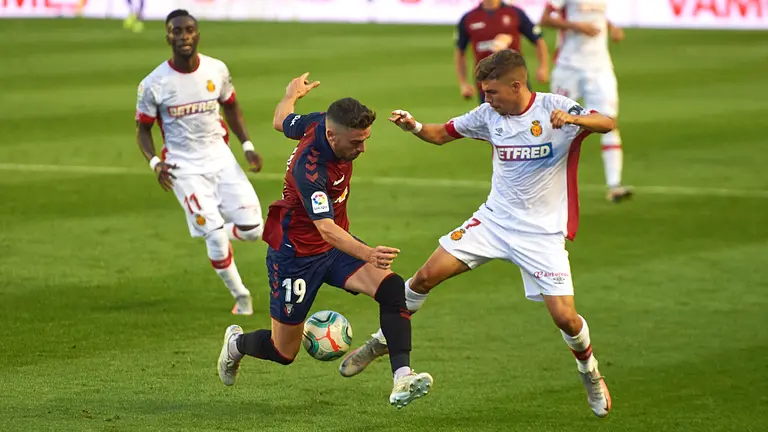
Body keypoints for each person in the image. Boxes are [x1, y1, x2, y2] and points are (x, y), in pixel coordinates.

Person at [339, 50, 614, 418]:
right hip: (494, 221)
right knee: (423, 277)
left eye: (493, 92)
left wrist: (575, 118)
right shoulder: (488, 116)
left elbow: (607, 122)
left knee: (565, 317)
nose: (486, 99)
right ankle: (382, 341)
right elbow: (442, 134)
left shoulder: (555, 108)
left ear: (517, 86)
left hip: (542, 234)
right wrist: (414, 126)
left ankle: (590, 372)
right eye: (484, 92)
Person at [215, 73, 434, 409]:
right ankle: (237, 344)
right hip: (296, 254)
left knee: (392, 289)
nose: (362, 148)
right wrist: (368, 253)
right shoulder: (311, 169)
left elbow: (280, 120)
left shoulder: (319, 122)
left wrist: (291, 94)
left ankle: (402, 377)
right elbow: (326, 228)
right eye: (356, 143)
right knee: (283, 351)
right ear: (332, 136)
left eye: (365, 140)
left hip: (333, 248)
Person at [135, 10, 264, 316]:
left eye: (189, 30)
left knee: (254, 230)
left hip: (221, 159)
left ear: (197, 34)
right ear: (168, 36)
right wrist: (155, 162)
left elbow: (231, 107)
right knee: (216, 238)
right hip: (183, 168)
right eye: (176, 31)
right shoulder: (153, 84)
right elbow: (142, 129)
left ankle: (215, 230)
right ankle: (242, 296)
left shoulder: (216, 69)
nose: (183, 36)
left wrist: (247, 145)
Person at [539, 0, 631, 202]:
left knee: (609, 122)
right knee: (556, 125)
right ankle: (544, 184)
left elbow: (596, 16)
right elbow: (545, 19)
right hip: (568, 67)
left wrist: (611, 26)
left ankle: (614, 185)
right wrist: (576, 26)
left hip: (600, 69)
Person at [455, 0, 550, 104]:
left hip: (515, 80)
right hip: (487, 81)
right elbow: (460, 51)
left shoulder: (515, 12)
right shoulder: (469, 18)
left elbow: (538, 40)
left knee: (524, 117)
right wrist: (463, 83)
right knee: (491, 119)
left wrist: (543, 67)